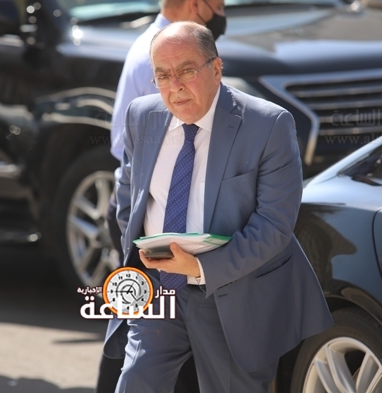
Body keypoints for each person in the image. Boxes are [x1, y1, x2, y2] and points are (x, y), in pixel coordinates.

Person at [109, 21, 332, 392]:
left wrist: (200, 267)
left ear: (216, 68)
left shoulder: (268, 125)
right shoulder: (141, 115)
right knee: (136, 383)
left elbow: (274, 225)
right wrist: (144, 256)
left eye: (186, 71)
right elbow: (128, 199)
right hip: (159, 287)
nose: (174, 86)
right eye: (162, 75)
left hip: (232, 294)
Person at [97, 0, 235, 393]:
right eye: (218, 5)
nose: (223, 16)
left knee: (145, 332)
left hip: (154, 212)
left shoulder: (159, 47)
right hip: (152, 213)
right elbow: (133, 151)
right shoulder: (163, 57)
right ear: (196, 4)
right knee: (144, 333)